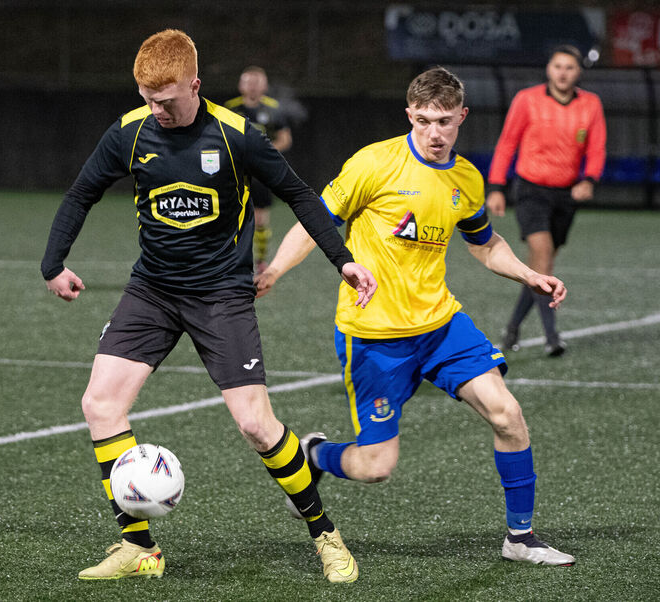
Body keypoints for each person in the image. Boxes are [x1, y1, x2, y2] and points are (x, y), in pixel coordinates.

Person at [40, 29, 376, 583]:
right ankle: (138, 546)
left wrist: (342, 259)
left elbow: (299, 194)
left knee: (255, 426)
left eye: (168, 100)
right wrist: (53, 263)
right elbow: (82, 193)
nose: (158, 110)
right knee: (100, 405)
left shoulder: (237, 135)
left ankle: (325, 534)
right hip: (151, 291)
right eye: (149, 99)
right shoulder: (130, 131)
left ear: (195, 85)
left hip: (222, 296)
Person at [256, 67, 576, 567]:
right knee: (376, 467)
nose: (434, 132)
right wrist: (274, 268)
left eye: (444, 121)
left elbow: (485, 243)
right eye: (424, 120)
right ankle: (315, 454)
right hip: (376, 337)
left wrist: (529, 275)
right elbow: (316, 219)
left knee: (508, 415)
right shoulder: (373, 164)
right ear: (410, 115)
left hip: (442, 325)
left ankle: (521, 537)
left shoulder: (466, 178)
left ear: (461, 118)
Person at [486, 45, 606, 356]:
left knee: (543, 266)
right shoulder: (527, 100)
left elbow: (596, 148)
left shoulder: (590, 105)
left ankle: (512, 328)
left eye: (569, 67)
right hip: (531, 191)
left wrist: (589, 179)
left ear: (578, 72)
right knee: (541, 257)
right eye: (557, 66)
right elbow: (506, 144)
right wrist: (496, 186)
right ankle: (552, 337)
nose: (563, 72)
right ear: (548, 69)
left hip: (565, 196)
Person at [225, 66, 294, 273]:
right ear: (240, 85)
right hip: (237, 172)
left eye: (257, 82)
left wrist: (262, 153)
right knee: (232, 217)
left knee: (261, 220)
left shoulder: (273, 108)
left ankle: (261, 260)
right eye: (248, 82)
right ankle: (231, 260)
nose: (253, 86)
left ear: (264, 86)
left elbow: (285, 139)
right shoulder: (230, 108)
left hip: (261, 173)